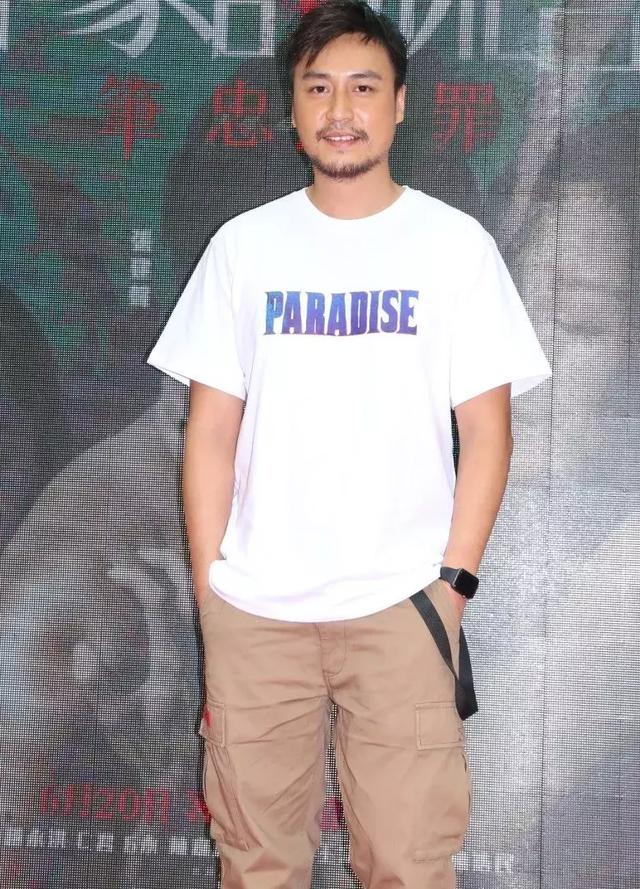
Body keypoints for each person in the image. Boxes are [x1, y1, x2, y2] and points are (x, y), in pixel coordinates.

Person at [147, 1, 552, 887]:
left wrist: (451, 589)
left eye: (364, 88)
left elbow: (488, 433)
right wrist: (214, 593)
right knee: (256, 866)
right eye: (319, 87)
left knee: (408, 866)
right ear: (292, 107)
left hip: (403, 608)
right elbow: (209, 432)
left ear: (400, 104)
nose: (341, 109)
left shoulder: (456, 247)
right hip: (257, 614)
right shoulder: (243, 248)